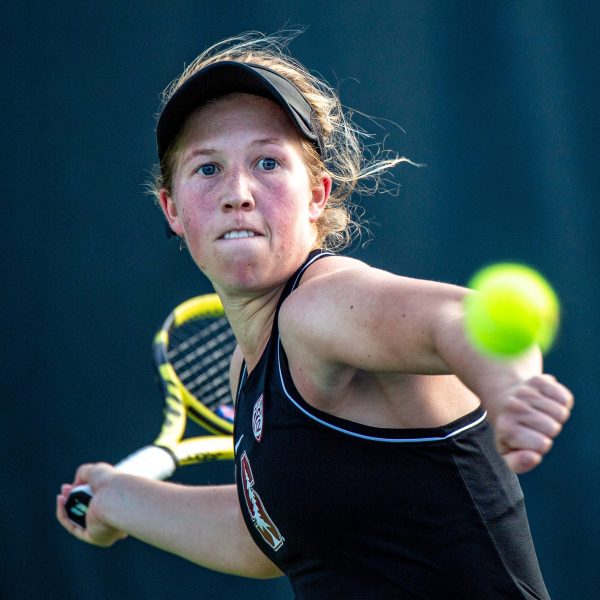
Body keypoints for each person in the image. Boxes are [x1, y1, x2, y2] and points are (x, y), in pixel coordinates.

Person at [57, 31, 573, 599]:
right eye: (207, 169)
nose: (238, 192)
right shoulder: (247, 367)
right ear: (172, 209)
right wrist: (117, 498)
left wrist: (510, 388)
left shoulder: (319, 308)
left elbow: (463, 319)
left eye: (268, 162)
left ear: (318, 195)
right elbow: (267, 535)